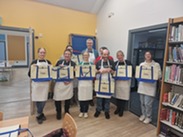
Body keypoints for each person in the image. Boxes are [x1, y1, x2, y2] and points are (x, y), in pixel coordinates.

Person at [28, 48, 51, 124]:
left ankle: (40, 113)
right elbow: (29, 74)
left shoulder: (48, 62)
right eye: (41, 52)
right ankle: (39, 114)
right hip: (37, 85)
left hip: (45, 84)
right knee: (38, 99)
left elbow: (51, 73)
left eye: (44, 52)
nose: (42, 54)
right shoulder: (34, 62)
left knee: (43, 99)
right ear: (38, 53)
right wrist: (33, 69)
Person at [138, 51, 161, 124]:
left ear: (151, 55)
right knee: (142, 102)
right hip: (142, 86)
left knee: (148, 103)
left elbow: (159, 75)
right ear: (144, 56)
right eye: (146, 54)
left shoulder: (156, 65)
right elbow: (138, 74)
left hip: (150, 87)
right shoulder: (141, 64)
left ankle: (149, 117)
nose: (148, 55)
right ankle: (143, 114)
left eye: (149, 54)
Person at [53, 49, 76, 120]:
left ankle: (66, 111)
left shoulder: (73, 64)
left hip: (68, 84)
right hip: (59, 83)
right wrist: (59, 68)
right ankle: (58, 112)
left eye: (69, 54)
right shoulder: (59, 62)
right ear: (63, 55)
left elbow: (75, 74)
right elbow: (54, 71)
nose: (67, 55)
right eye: (66, 54)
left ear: (71, 56)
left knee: (68, 98)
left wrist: (70, 81)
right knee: (57, 98)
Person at [94, 49, 115, 119]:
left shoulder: (112, 62)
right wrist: (99, 71)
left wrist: (111, 70)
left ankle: (106, 111)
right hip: (100, 82)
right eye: (104, 54)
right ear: (102, 55)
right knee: (99, 98)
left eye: (107, 54)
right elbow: (95, 72)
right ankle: (98, 110)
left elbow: (114, 72)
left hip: (108, 82)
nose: (105, 56)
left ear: (108, 55)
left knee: (107, 99)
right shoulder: (98, 62)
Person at [113, 50, 133, 117]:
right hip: (118, 82)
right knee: (118, 96)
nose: (119, 57)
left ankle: (122, 109)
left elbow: (132, 72)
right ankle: (118, 108)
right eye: (118, 55)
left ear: (123, 56)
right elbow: (113, 72)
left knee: (123, 96)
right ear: (117, 57)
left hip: (125, 83)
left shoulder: (128, 62)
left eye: (121, 55)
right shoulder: (115, 63)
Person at [78, 51, 93, 118]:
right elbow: (77, 73)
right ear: (83, 56)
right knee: (81, 98)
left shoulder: (92, 64)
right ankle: (81, 111)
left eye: (87, 55)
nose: (86, 56)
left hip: (89, 83)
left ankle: (86, 111)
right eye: (84, 55)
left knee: (87, 98)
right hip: (81, 83)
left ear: (89, 56)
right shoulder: (79, 64)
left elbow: (93, 73)